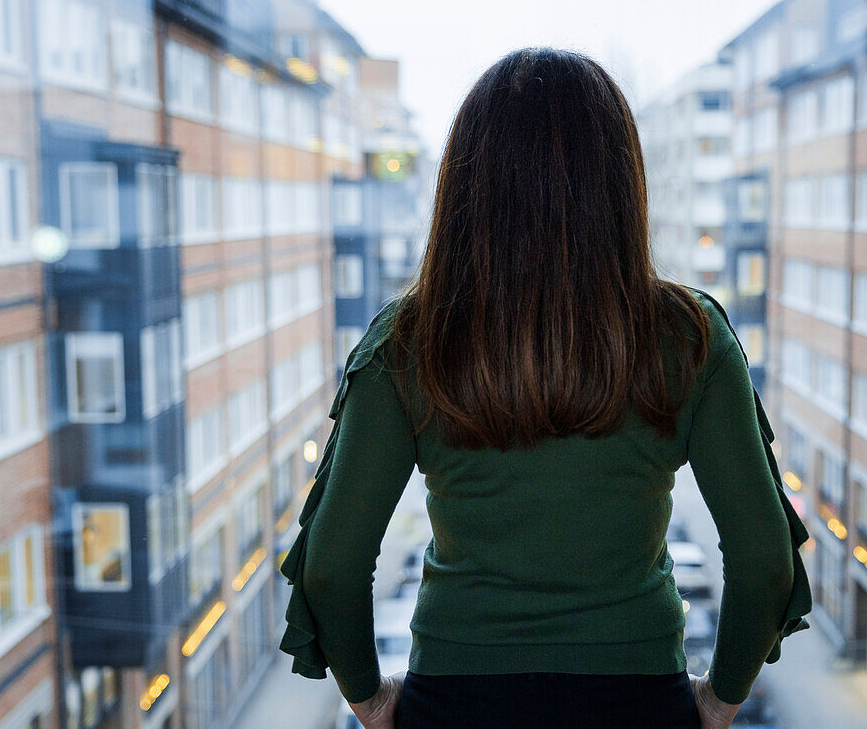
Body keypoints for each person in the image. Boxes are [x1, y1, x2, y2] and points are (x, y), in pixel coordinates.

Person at [279, 46, 812, 729]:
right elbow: (766, 560)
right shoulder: (691, 334)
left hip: (457, 703)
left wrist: (370, 701)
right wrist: (720, 699)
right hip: (638, 702)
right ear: (622, 182)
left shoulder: (408, 338)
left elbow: (331, 566)